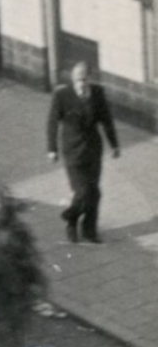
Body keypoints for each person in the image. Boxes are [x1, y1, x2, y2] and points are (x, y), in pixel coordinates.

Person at [47, 61, 120, 243]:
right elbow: (52, 123)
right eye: (79, 80)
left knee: (94, 192)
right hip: (72, 151)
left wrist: (114, 145)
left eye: (85, 79)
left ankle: (89, 230)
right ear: (73, 79)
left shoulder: (97, 93)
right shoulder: (62, 95)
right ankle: (71, 219)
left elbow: (106, 120)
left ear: (90, 78)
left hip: (93, 150)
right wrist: (52, 149)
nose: (82, 84)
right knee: (82, 191)